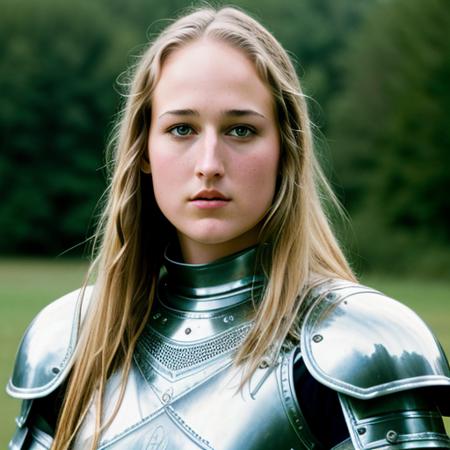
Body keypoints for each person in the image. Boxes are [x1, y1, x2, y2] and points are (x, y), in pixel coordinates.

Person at [6, 6, 450, 450]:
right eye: (182, 128)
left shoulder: (360, 347)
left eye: (240, 130)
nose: (209, 165)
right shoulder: (69, 342)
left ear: (285, 149)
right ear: (143, 150)